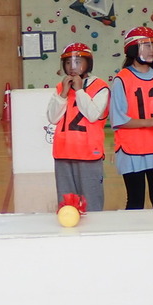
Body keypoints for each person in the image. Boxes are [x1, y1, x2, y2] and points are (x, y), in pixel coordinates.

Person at [110, 26, 153, 209]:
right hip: (132, 149)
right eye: (147, 46)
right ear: (133, 49)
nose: (152, 50)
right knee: (135, 202)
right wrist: (149, 122)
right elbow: (118, 119)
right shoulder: (122, 79)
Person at [46, 42, 109, 211]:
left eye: (78, 61)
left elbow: (92, 114)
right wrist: (63, 94)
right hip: (63, 152)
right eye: (68, 62)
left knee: (92, 203)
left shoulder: (100, 87)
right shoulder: (61, 87)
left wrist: (80, 91)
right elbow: (52, 118)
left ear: (88, 63)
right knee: (67, 204)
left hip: (89, 153)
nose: (72, 66)